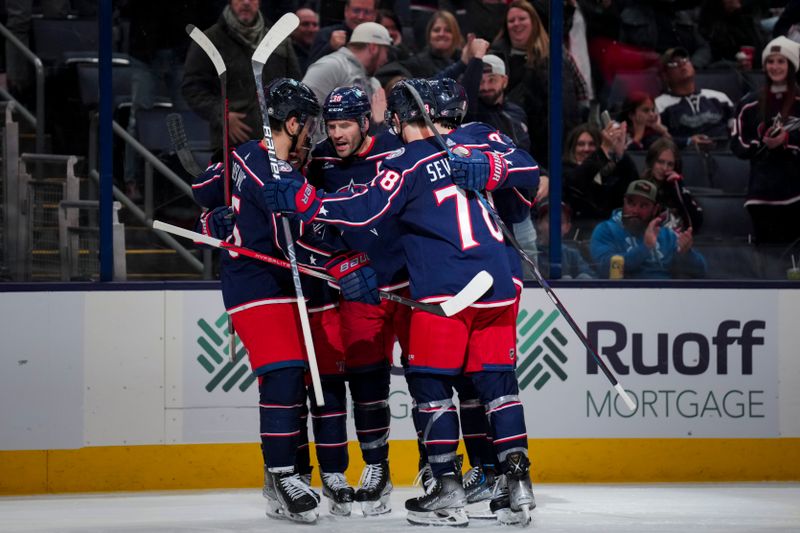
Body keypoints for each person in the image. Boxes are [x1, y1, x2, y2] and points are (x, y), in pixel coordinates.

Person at [261, 79, 536, 527]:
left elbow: (364, 209)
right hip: (500, 284)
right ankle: (517, 485)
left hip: (443, 291)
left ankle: (445, 485)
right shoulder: (478, 137)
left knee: (431, 389)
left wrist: (305, 201)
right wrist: (492, 169)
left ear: (395, 119)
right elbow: (525, 169)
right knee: (499, 388)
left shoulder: (409, 159)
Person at [194, 77, 382, 523]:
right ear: (294, 122)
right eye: (310, 125)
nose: (314, 135)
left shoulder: (250, 157)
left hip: (280, 286)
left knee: (307, 380)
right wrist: (344, 262)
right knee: (283, 376)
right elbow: (290, 237)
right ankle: (283, 474)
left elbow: (205, 189)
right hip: (255, 288)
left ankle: (287, 476)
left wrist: (212, 216)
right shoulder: (270, 169)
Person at [305, 86, 409, 517]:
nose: (337, 134)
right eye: (331, 126)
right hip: (359, 288)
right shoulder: (320, 161)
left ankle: (437, 472)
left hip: (408, 284)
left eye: (345, 124)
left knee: (428, 382)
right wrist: (338, 260)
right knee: (368, 382)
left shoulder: (398, 152)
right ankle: (377, 469)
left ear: (366, 122)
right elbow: (309, 220)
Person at [182, 0, 302, 152]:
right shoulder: (210, 40)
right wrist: (221, 114)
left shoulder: (278, 39)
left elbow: (295, 85)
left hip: (276, 141)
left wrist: (286, 122)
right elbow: (193, 87)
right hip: (231, 143)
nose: (246, 2)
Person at [731, 36, 800, 246]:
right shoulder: (749, 104)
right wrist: (761, 145)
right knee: (770, 259)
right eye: (771, 61)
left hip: (797, 192)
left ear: (792, 65)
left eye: (781, 61)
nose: (775, 66)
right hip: (762, 194)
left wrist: (787, 139)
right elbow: (737, 142)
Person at [590, 179, 707, 279]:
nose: (635, 210)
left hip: (665, 296)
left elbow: (701, 271)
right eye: (631, 203)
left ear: (655, 209)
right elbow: (605, 268)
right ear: (623, 202)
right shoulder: (606, 230)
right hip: (625, 295)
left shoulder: (666, 235)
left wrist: (686, 253)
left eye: (643, 205)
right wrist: (645, 248)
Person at [562, 122, 640, 239]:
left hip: (610, 237)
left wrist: (621, 156)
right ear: (572, 148)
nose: (586, 149)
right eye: (581, 144)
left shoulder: (609, 173)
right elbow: (577, 181)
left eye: (592, 144)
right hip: (576, 238)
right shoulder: (564, 170)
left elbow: (632, 190)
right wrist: (603, 150)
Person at [302, 22, 392, 121]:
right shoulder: (331, 66)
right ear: (373, 48)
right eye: (386, 52)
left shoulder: (374, 83)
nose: (386, 59)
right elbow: (301, 109)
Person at [655, 47, 735, 151]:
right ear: (665, 76)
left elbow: (736, 129)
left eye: (685, 60)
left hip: (724, 153)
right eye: (674, 64)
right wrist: (687, 141)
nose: (681, 64)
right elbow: (657, 140)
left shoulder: (719, 97)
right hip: (686, 157)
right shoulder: (659, 104)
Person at [463, 54, 531, 152]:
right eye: (480, 82)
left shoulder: (517, 112)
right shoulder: (473, 113)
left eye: (492, 80)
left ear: (504, 81)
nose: (486, 87)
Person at [640, 138, 704, 233]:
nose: (664, 168)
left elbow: (696, 222)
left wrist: (679, 187)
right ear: (651, 162)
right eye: (660, 162)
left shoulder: (677, 188)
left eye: (670, 164)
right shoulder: (640, 187)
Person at [534, 198, 594, 279]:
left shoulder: (572, 255)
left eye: (560, 222)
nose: (554, 226)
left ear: (567, 227)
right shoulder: (530, 253)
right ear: (539, 224)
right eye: (549, 220)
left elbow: (592, 278)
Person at [307, 0, 378, 65]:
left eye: (367, 12)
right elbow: (310, 70)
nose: (361, 17)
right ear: (346, 11)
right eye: (356, 10)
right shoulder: (326, 34)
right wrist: (330, 47)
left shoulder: (379, 39)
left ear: (374, 15)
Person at [292, 6, 320, 74]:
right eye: (305, 24)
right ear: (293, 28)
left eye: (315, 25)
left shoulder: (322, 48)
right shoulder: (286, 52)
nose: (311, 29)